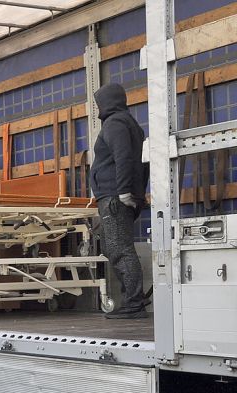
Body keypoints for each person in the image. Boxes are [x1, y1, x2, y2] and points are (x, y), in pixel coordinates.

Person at [89, 83, 148, 319]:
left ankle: (134, 304)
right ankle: (133, 302)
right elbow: (142, 163)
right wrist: (137, 193)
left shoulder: (115, 124)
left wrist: (124, 191)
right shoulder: (131, 125)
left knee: (119, 249)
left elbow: (123, 158)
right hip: (119, 195)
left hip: (114, 196)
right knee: (117, 247)